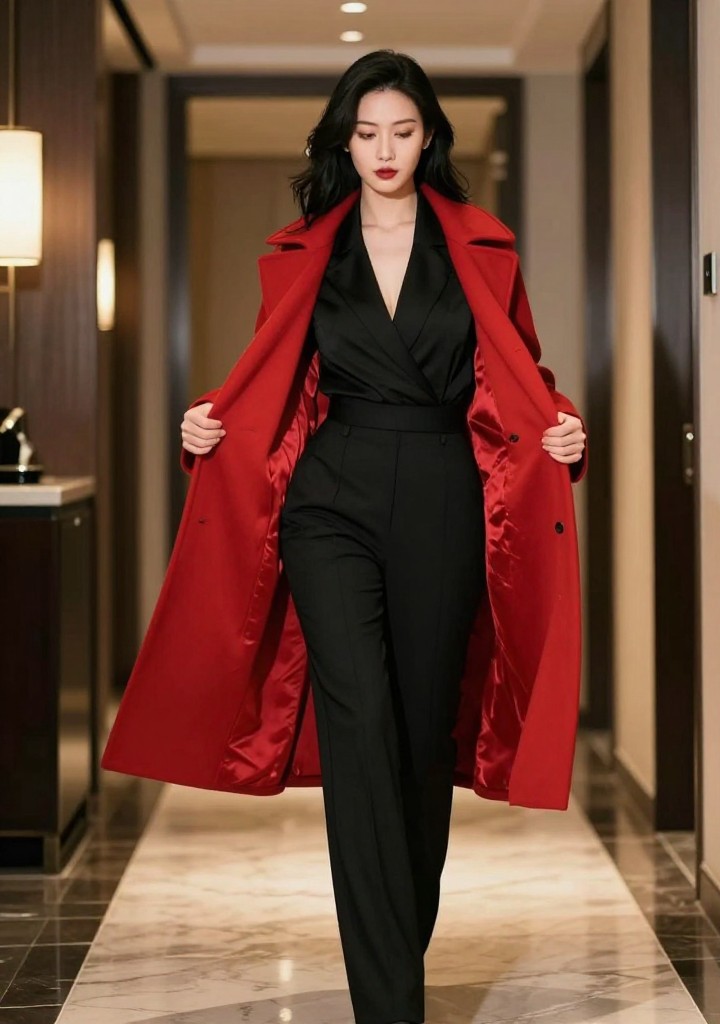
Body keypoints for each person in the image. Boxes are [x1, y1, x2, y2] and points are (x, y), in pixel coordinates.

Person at [103, 49, 586, 1024]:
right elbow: (269, 378)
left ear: (430, 137)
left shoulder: (482, 245)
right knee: (361, 722)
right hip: (331, 498)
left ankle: (394, 947)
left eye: (402, 131)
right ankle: (388, 1002)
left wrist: (561, 428)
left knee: (419, 737)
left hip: (447, 493)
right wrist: (210, 423)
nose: (384, 151)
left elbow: (518, 375)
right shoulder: (304, 250)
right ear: (342, 140)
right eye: (365, 133)